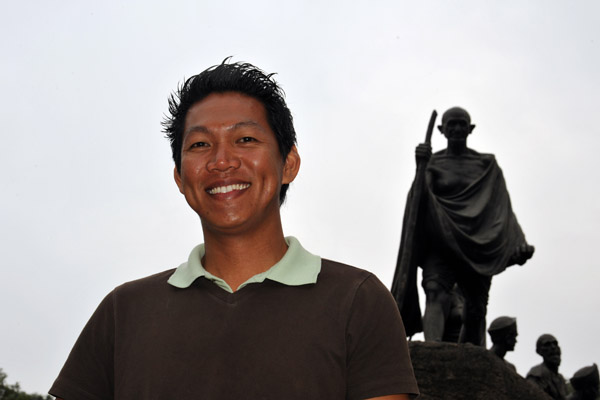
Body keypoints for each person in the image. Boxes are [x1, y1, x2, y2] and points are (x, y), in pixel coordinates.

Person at [49, 60, 419, 400]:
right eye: (199, 145)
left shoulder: (358, 301)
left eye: (245, 139)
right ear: (180, 177)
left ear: (288, 163)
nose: (222, 161)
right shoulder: (123, 312)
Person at [394, 106, 534, 345]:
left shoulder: (486, 164)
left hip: (478, 245)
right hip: (441, 240)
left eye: (462, 124)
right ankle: (433, 350)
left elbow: (503, 210)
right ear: (442, 130)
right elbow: (420, 200)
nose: (457, 128)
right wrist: (420, 167)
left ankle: (475, 357)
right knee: (436, 293)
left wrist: (518, 242)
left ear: (470, 129)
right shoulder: (434, 162)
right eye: (452, 124)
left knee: (476, 309)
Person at [527, 334, 568, 400]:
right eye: (547, 345)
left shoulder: (561, 379)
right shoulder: (537, 374)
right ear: (539, 351)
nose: (553, 347)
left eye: (555, 344)